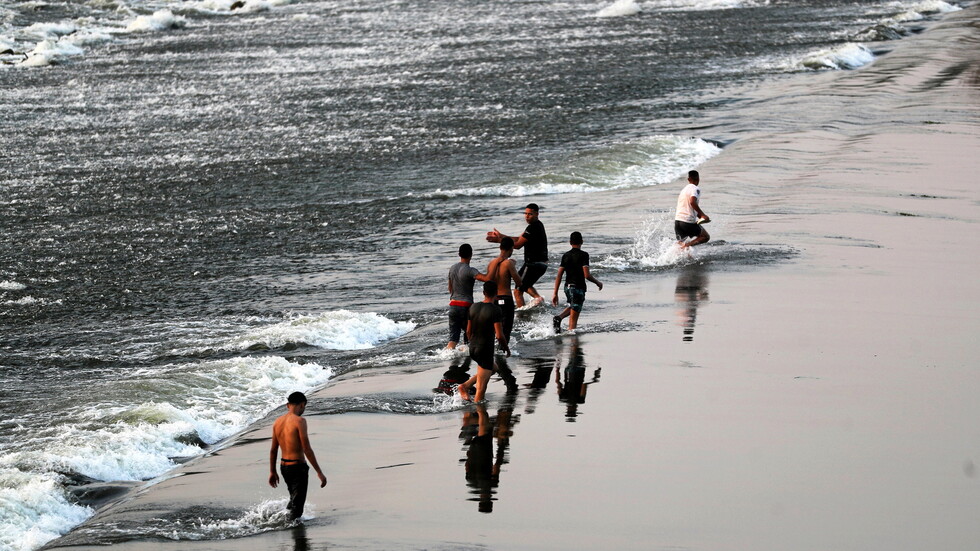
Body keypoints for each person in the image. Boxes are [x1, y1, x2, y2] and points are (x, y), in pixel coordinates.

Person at [268, 392, 327, 520]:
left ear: (288, 405)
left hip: (284, 467)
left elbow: (273, 450)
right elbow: (306, 449)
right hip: (297, 467)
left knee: (294, 499)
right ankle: (284, 527)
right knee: (298, 508)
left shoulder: (277, 422)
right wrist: (319, 472)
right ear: (301, 405)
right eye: (304, 407)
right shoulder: (300, 421)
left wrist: (272, 471)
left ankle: (282, 521)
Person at [486, 203, 548, 308]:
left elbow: (518, 245)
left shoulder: (532, 228)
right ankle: (538, 298)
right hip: (542, 264)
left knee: (517, 291)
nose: (527, 216)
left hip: (533, 264)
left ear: (537, 214)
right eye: (525, 214)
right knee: (524, 284)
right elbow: (518, 239)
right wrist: (501, 236)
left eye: (530, 214)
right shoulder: (537, 225)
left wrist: (498, 240)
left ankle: (522, 316)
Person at [458, 281, 510, 402]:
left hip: (473, 348)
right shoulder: (495, 310)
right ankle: (480, 415)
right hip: (485, 349)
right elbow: (499, 335)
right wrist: (506, 348)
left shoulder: (473, 306)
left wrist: (473, 343)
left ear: (483, 293)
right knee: (480, 392)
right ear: (496, 294)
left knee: (494, 368)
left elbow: (468, 331)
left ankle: (465, 386)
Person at [551, 231, 603, 333]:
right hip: (578, 288)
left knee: (573, 306)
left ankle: (559, 318)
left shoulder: (565, 255)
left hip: (567, 288)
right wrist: (598, 282)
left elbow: (559, 275)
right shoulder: (584, 255)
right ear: (582, 242)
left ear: (570, 242)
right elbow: (586, 275)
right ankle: (573, 344)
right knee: (573, 323)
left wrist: (555, 293)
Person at [447, 243, 490, 349]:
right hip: (466, 306)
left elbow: (450, 288)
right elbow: (486, 279)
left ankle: (447, 354)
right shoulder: (470, 270)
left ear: (459, 254)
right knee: (470, 334)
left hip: (453, 305)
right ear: (471, 254)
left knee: (453, 339)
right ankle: (468, 354)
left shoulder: (452, 268)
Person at [484, 237, 522, 343]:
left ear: (500, 247)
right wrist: (514, 266)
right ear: (511, 249)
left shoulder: (491, 263)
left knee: (494, 329)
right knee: (506, 330)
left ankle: (494, 352)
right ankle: (503, 353)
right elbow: (519, 282)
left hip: (493, 300)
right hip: (506, 299)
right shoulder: (508, 263)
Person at [674, 170, 710, 248]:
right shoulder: (695, 188)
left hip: (678, 221)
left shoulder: (683, 190)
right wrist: (703, 215)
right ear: (698, 179)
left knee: (681, 243)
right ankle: (685, 246)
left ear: (688, 179)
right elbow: (692, 202)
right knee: (705, 237)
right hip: (687, 222)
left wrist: (699, 216)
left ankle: (670, 255)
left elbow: (687, 207)